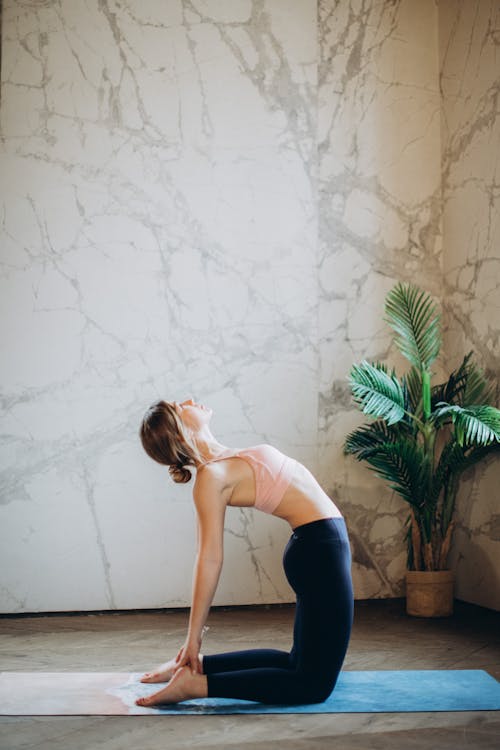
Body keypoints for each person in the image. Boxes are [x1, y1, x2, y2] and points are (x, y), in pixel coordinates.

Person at [135, 398, 353, 707]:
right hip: (321, 552)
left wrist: (191, 654)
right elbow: (209, 558)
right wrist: (192, 638)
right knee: (313, 685)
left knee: (297, 663)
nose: (189, 401)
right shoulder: (211, 477)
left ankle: (193, 668)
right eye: (179, 404)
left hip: (319, 546)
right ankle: (195, 687)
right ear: (181, 432)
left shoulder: (224, 459)